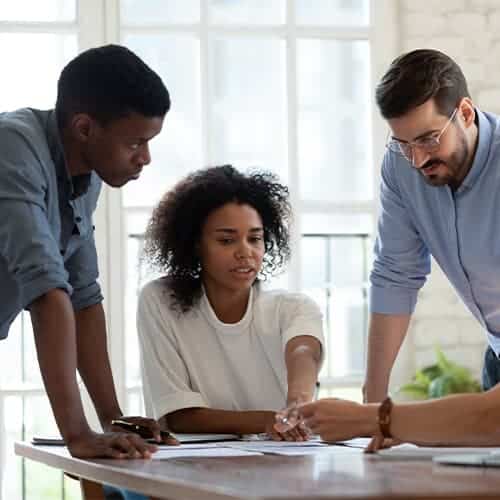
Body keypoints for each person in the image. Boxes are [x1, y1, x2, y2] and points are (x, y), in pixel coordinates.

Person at [0, 44, 177, 460]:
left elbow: (83, 297)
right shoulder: (12, 147)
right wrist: (77, 435)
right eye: (135, 142)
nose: (146, 158)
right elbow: (46, 291)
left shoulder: (87, 175)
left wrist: (111, 418)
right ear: (84, 128)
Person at [138, 165, 324, 439]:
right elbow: (179, 417)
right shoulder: (161, 300)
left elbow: (303, 351)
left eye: (255, 238)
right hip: (195, 468)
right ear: (195, 244)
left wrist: (298, 402)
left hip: (286, 462)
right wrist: (267, 420)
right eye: (226, 240)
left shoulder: (294, 307)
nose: (245, 252)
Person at [363, 48, 500, 403]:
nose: (418, 158)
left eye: (428, 138)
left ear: (465, 114)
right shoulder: (399, 166)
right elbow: (395, 274)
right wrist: (371, 404)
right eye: (403, 142)